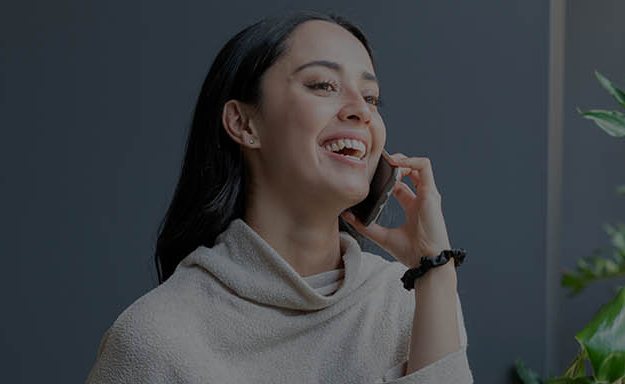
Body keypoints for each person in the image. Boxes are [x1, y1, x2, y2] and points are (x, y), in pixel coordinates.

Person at [86, 10, 471, 383]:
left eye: (371, 97)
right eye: (323, 85)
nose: (361, 112)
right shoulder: (155, 341)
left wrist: (434, 270)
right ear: (244, 123)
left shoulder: (410, 299)